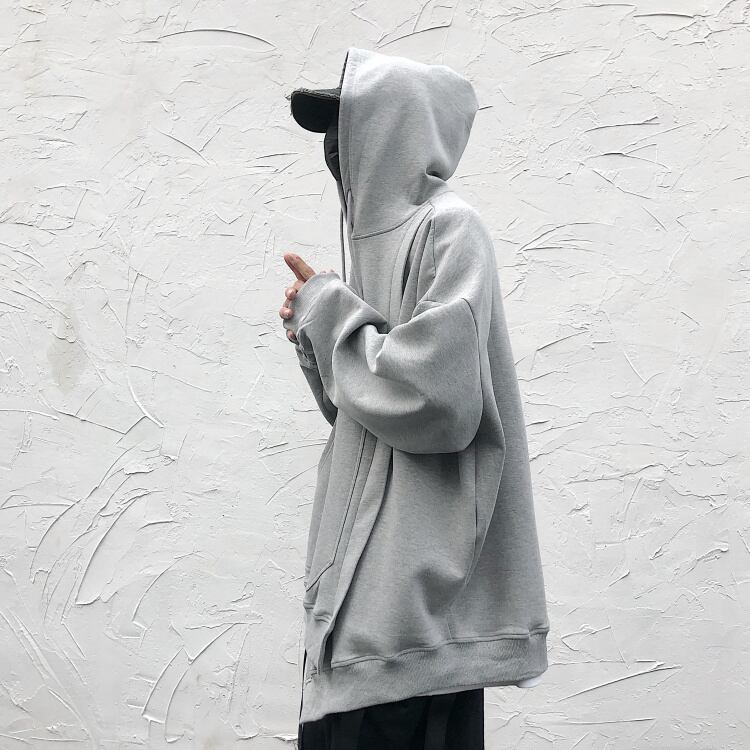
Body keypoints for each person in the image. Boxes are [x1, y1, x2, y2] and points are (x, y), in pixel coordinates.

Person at [279, 47, 551, 749]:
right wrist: (314, 333)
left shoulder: (448, 227)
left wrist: (331, 316)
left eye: (348, 123)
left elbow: (435, 400)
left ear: (397, 124)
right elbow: (365, 415)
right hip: (360, 613)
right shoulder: (371, 247)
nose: (335, 147)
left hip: (409, 617)